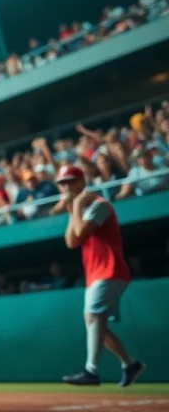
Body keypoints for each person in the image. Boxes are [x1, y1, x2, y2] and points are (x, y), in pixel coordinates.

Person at [56, 165, 145, 387]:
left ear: (82, 182)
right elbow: (71, 242)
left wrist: (76, 205)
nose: (66, 187)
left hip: (110, 269)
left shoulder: (100, 205)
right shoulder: (80, 209)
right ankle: (130, 364)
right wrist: (73, 209)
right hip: (96, 273)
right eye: (62, 183)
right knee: (97, 325)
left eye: (70, 182)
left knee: (92, 317)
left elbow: (80, 232)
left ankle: (91, 371)